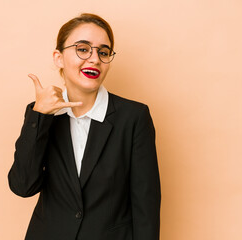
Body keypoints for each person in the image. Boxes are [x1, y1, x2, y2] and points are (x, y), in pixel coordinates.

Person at [8, 13, 161, 240]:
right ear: (58, 58)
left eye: (103, 52)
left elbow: (146, 206)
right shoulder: (41, 113)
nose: (94, 59)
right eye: (82, 49)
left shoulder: (134, 117)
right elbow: (23, 186)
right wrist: (39, 116)